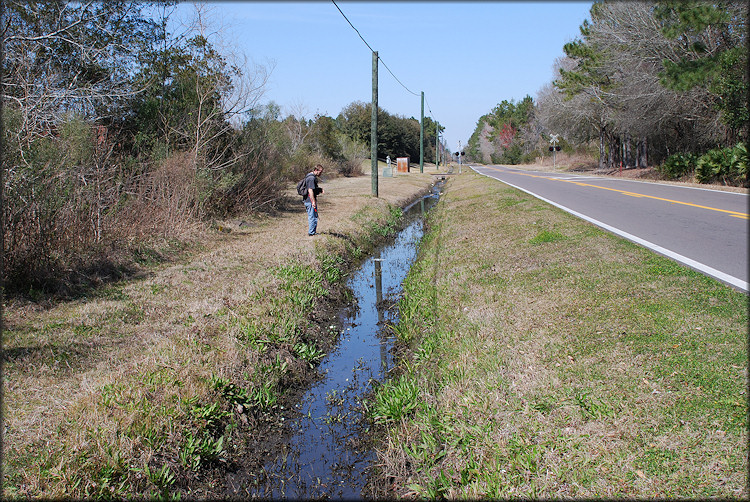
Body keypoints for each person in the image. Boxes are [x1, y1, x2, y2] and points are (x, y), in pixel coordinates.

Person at [302, 164, 324, 236]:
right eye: (320, 172)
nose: (321, 173)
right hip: (309, 200)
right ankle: (311, 233)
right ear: (315, 170)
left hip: (308, 200)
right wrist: (313, 201)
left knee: (313, 216)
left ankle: (313, 231)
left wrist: (319, 190)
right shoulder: (311, 178)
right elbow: (310, 190)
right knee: (313, 217)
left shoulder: (310, 176)